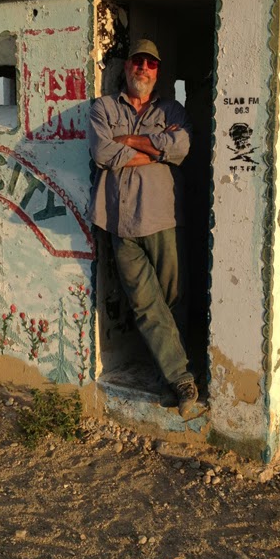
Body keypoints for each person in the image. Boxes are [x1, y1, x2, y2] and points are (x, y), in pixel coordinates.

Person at [88, 38, 198, 418]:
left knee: (172, 300)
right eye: (138, 61)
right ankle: (181, 380)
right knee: (145, 305)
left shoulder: (172, 110)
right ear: (127, 66)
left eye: (151, 64)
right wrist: (156, 150)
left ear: (158, 71)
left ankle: (170, 379)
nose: (143, 69)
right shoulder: (103, 108)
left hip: (163, 219)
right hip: (120, 222)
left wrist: (131, 142)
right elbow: (103, 152)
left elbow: (182, 147)